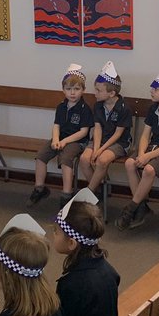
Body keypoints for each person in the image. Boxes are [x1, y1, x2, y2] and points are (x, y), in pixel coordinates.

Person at [51, 188, 121, 316]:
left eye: (56, 231)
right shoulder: (109, 271)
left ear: (72, 243)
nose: (53, 235)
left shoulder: (71, 284)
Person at [116, 67, 159, 230]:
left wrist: (148, 157)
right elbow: (145, 135)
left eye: (156, 88)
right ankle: (141, 207)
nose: (152, 91)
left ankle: (132, 208)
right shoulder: (153, 108)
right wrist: (141, 153)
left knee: (148, 170)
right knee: (129, 163)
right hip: (150, 147)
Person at [29, 63, 94, 208]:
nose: (72, 93)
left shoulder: (84, 109)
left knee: (65, 159)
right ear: (63, 90)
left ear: (83, 90)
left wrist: (64, 141)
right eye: (69, 89)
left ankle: (67, 194)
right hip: (60, 139)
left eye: (76, 89)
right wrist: (56, 139)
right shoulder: (61, 106)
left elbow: (83, 132)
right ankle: (39, 188)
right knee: (40, 156)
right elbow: (56, 125)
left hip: (77, 142)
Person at [79, 61, 133, 196]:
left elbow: (118, 134)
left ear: (111, 93)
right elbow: (97, 129)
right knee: (84, 159)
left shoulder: (124, 108)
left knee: (102, 160)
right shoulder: (98, 105)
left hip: (119, 143)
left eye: (98, 90)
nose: (95, 93)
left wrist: (101, 151)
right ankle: (98, 193)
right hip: (100, 140)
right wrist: (96, 149)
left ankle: (89, 194)